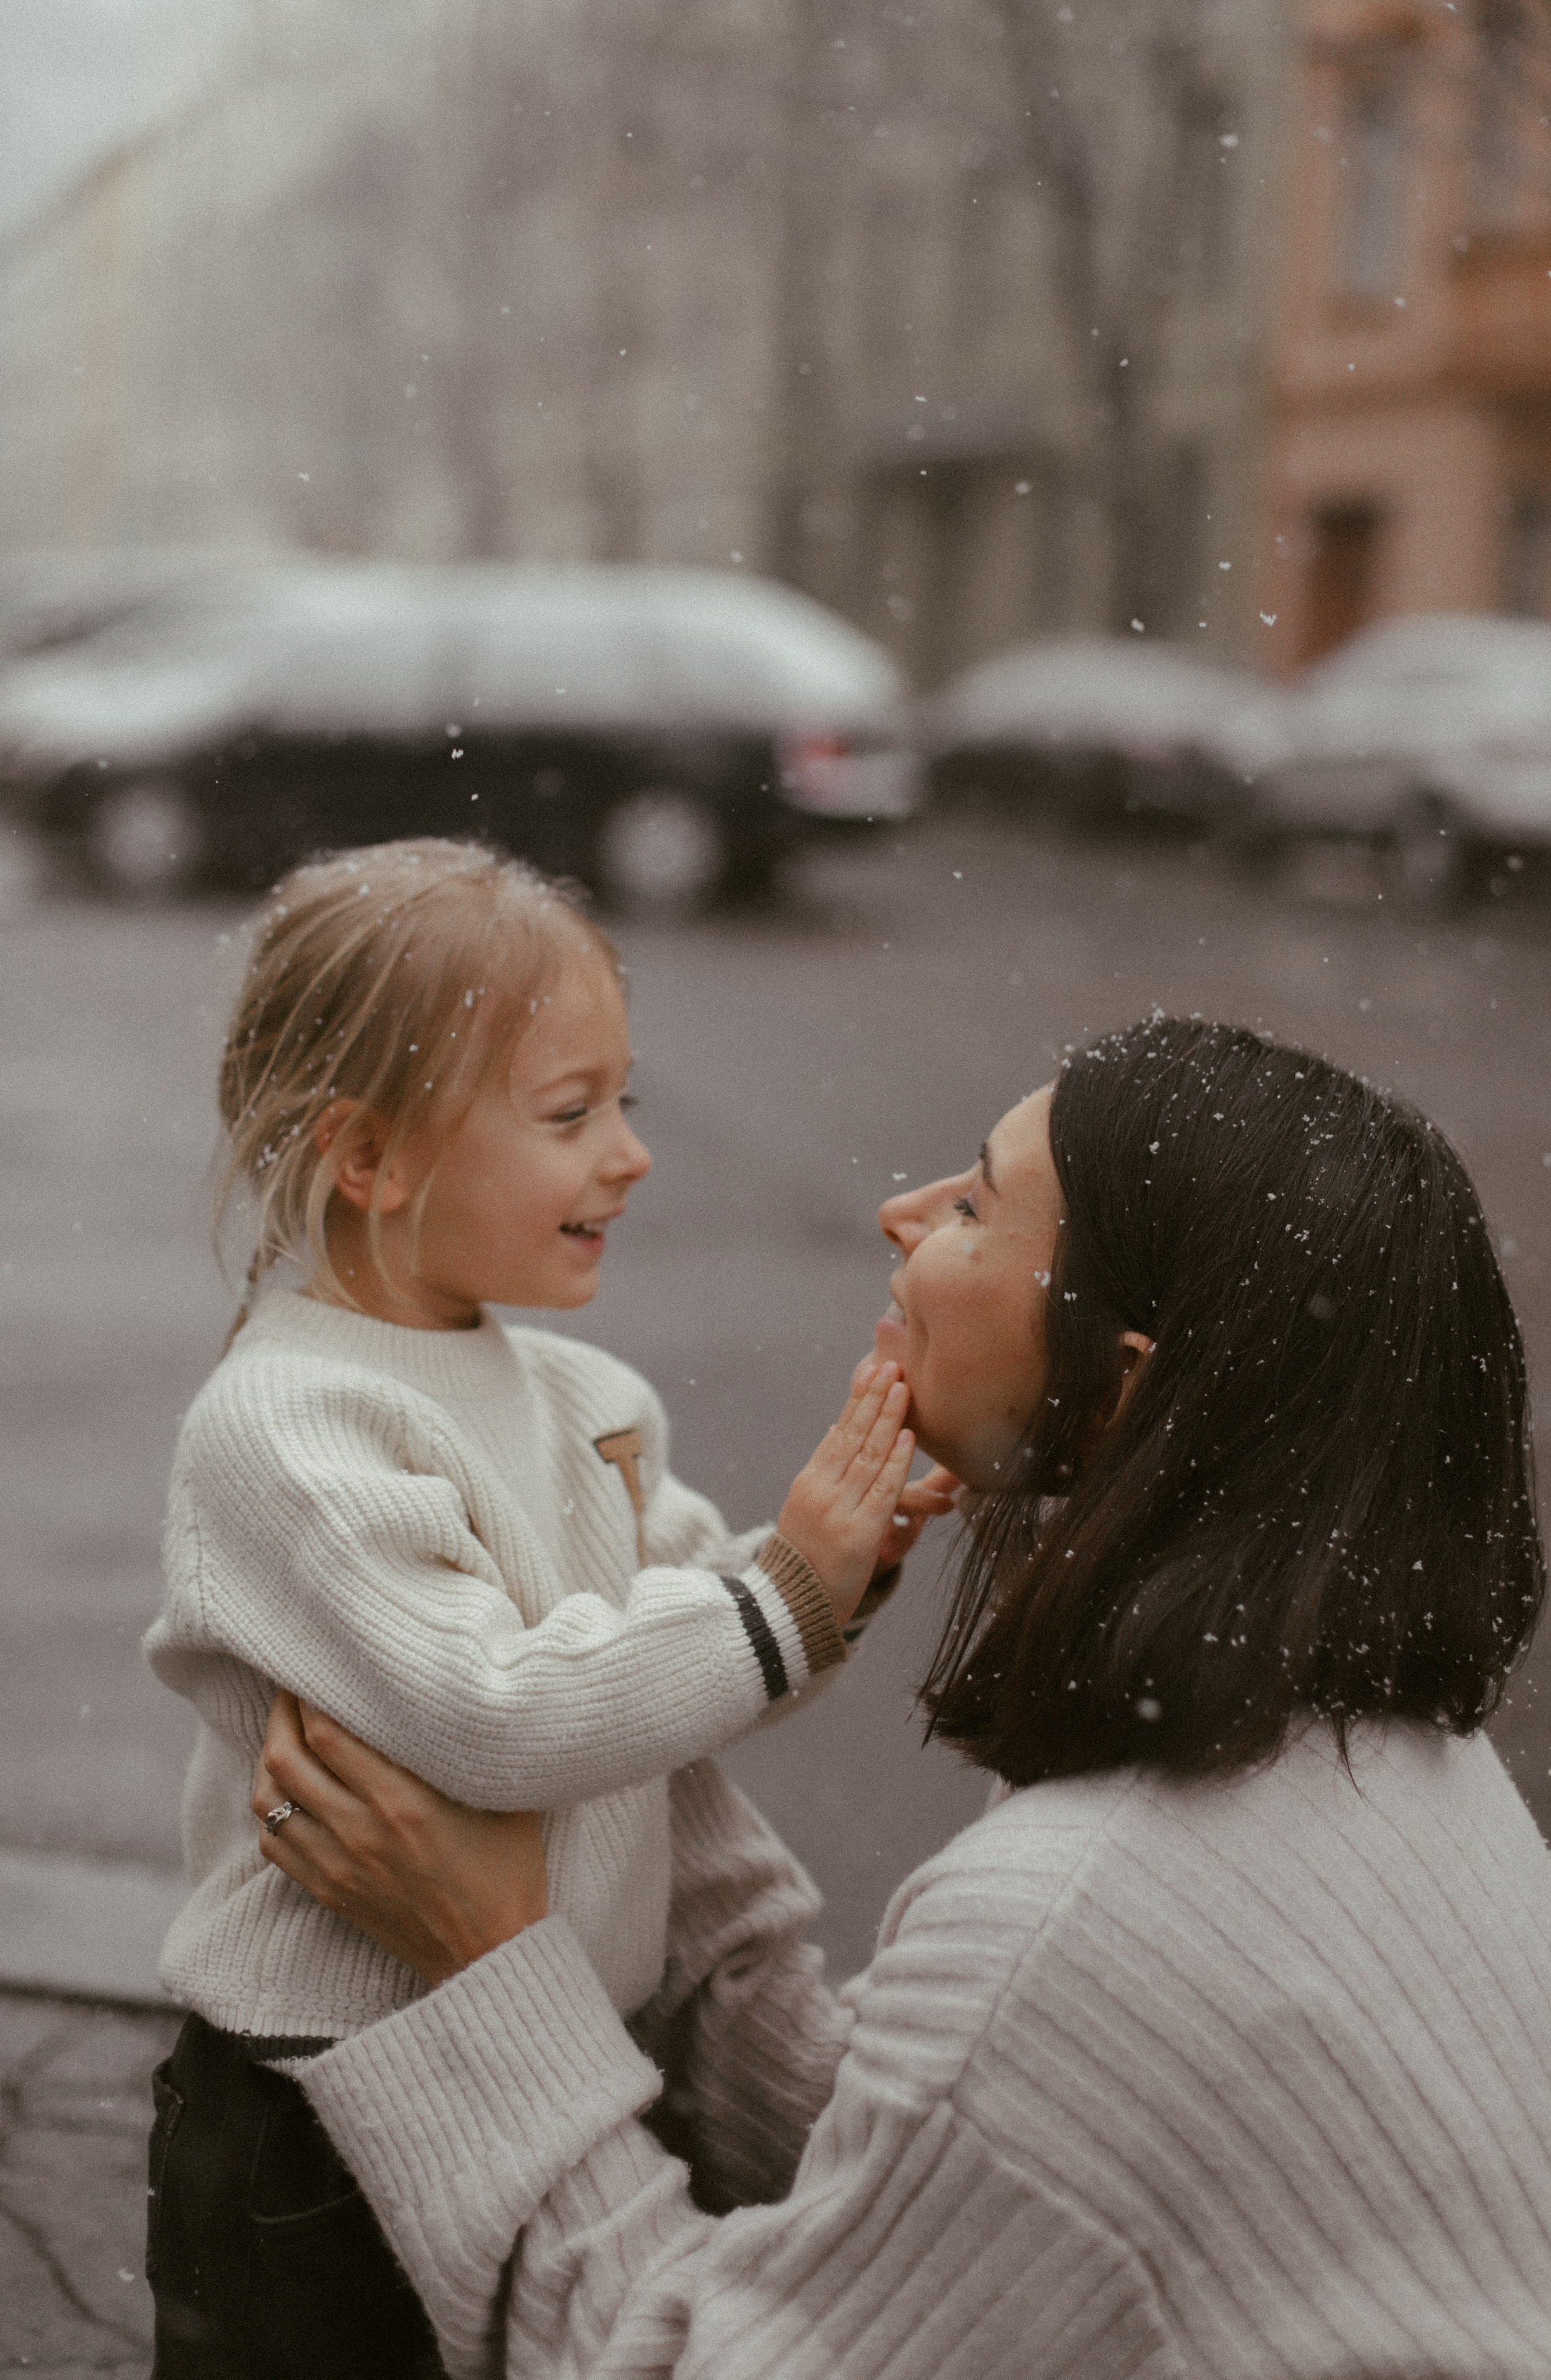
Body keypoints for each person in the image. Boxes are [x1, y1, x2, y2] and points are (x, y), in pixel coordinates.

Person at [247, 1015, 1551, 2378]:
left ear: (1119, 1384)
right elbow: (947, 2169)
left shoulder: (1082, 1913)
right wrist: (620, 1719)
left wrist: (484, 1974)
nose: (897, 1216)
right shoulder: (1381, 1767)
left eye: (972, 1204)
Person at [141, 837, 952, 2375]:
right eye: (569, 1115)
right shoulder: (290, 1425)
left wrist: (839, 1572)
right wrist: (777, 1591)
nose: (630, 1153)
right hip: (321, 2117)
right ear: (366, 1157)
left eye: (624, 1102)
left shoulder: (582, 1395)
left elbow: (688, 1674)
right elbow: (494, 1716)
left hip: (534, 2057)